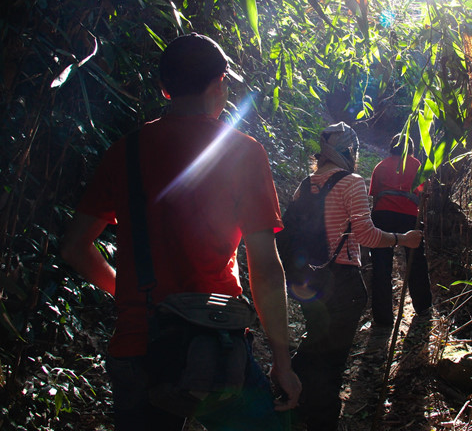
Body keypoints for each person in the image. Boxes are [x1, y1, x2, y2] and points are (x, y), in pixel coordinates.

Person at [61, 33, 301, 430]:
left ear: (164, 88)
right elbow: (265, 265)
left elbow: (74, 247)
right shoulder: (242, 151)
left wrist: (129, 293)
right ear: (219, 82)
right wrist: (282, 361)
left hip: (140, 344)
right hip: (216, 342)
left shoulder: (125, 151)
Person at [287, 122, 422, 431]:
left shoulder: (305, 184)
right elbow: (366, 234)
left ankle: (294, 401)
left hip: (307, 281)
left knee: (316, 339)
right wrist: (403, 239)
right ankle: (321, 419)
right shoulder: (352, 182)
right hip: (342, 282)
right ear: (349, 151)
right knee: (333, 358)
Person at [368, 134, 433, 327]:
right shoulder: (417, 166)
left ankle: (382, 318)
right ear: (411, 149)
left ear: (391, 148)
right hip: (409, 217)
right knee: (416, 261)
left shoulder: (380, 166)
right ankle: (423, 308)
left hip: (382, 216)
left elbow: (375, 196)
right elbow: (424, 195)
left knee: (381, 266)